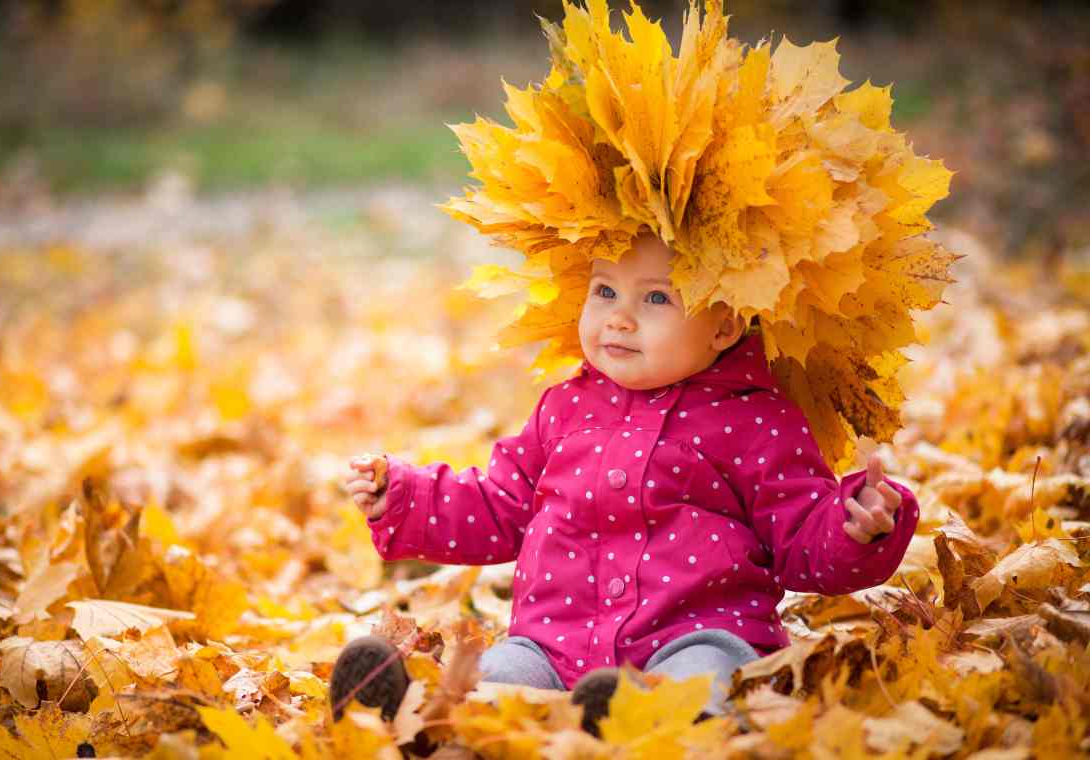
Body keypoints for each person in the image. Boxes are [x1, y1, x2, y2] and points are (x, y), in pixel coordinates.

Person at [330, 0, 951, 737]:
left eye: (656, 297)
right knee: (502, 677)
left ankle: (646, 722)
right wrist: (401, 496)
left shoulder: (755, 418)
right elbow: (498, 505)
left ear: (725, 320)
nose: (619, 316)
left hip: (695, 636)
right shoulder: (564, 409)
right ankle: (424, 722)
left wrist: (857, 528)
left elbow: (800, 538)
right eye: (604, 291)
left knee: (705, 677)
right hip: (554, 646)